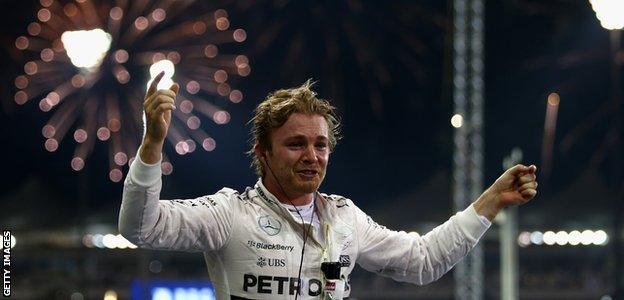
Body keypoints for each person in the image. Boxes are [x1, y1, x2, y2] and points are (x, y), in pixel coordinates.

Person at [119, 72, 539, 300]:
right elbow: (140, 227)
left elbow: (423, 261)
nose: (312, 156)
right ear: (263, 152)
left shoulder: (344, 217)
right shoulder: (230, 213)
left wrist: (490, 202)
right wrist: (153, 144)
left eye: (320, 145)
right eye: (296, 144)